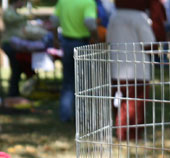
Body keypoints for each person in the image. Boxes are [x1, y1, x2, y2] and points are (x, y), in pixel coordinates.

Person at [106, 0, 157, 141]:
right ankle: (130, 135)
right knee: (135, 103)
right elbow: (150, 44)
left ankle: (121, 132)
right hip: (137, 70)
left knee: (119, 102)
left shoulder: (114, 17)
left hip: (116, 67)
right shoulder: (139, 18)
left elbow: (108, 39)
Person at [54, 0, 99, 122]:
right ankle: (83, 117)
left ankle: (65, 115)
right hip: (82, 44)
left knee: (68, 81)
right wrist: (97, 38)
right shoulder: (88, 2)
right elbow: (90, 22)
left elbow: (53, 20)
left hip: (66, 42)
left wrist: (55, 38)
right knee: (84, 82)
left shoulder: (63, 2)